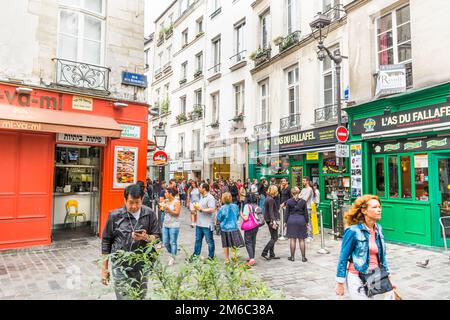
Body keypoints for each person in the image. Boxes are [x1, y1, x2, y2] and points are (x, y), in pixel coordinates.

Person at [101, 184, 160, 300]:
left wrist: (146, 237)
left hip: (142, 266)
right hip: (120, 265)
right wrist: (104, 269)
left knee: (140, 296)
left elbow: (157, 237)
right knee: (123, 297)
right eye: (131, 202)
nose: (134, 206)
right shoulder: (115, 216)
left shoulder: (149, 214)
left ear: (142, 199)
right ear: (124, 200)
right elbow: (106, 242)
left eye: (137, 202)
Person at [335, 195, 396, 300]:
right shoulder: (353, 231)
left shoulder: (379, 229)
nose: (379, 210)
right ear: (364, 211)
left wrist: (389, 277)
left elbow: (382, 256)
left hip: (375, 276)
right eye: (374, 207)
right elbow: (343, 258)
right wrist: (340, 282)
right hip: (357, 276)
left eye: (379, 207)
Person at [217, 192, 244, 264]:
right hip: (234, 227)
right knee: (234, 245)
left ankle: (227, 259)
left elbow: (219, 218)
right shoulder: (235, 206)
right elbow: (237, 215)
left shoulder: (222, 208)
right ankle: (235, 259)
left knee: (225, 245)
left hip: (225, 228)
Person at [192, 183, 217, 260]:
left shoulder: (210, 197)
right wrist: (195, 210)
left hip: (207, 224)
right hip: (199, 223)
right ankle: (195, 256)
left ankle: (211, 257)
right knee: (197, 241)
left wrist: (201, 209)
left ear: (204, 189)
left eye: (200, 187)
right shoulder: (201, 197)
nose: (199, 188)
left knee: (209, 241)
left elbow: (211, 209)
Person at [284, 187, 308, 262]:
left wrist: (285, 222)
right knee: (302, 240)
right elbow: (306, 214)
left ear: (292, 193)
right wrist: (307, 222)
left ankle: (292, 257)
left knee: (292, 239)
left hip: (291, 220)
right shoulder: (303, 202)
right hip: (301, 220)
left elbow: (286, 213)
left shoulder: (289, 201)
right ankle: (303, 257)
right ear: (299, 192)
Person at [161, 188, 181, 266]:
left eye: (166, 192)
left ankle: (172, 257)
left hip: (174, 224)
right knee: (165, 242)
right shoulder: (166, 201)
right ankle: (170, 253)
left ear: (170, 193)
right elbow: (163, 210)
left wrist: (168, 209)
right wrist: (162, 208)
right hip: (165, 223)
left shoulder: (176, 202)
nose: (165, 194)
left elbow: (177, 213)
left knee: (173, 242)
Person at [240, 193, 260, 267]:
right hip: (256, 225)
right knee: (253, 240)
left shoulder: (247, 206)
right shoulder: (256, 205)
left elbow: (245, 218)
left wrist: (241, 214)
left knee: (248, 242)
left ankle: (251, 259)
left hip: (249, 226)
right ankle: (252, 257)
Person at [261, 185, 281, 260]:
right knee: (275, 238)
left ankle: (272, 254)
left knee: (273, 237)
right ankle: (264, 252)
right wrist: (274, 221)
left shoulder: (268, 198)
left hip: (268, 219)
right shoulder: (271, 200)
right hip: (271, 220)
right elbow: (271, 212)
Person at [300, 176, 314, 241]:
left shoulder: (310, 189)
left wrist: (301, 196)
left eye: (304, 180)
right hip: (302, 207)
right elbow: (298, 196)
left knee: (308, 222)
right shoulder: (303, 189)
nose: (303, 182)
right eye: (302, 180)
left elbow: (305, 199)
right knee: (304, 222)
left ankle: (310, 236)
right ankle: (306, 234)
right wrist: (301, 196)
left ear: (307, 181)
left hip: (308, 207)